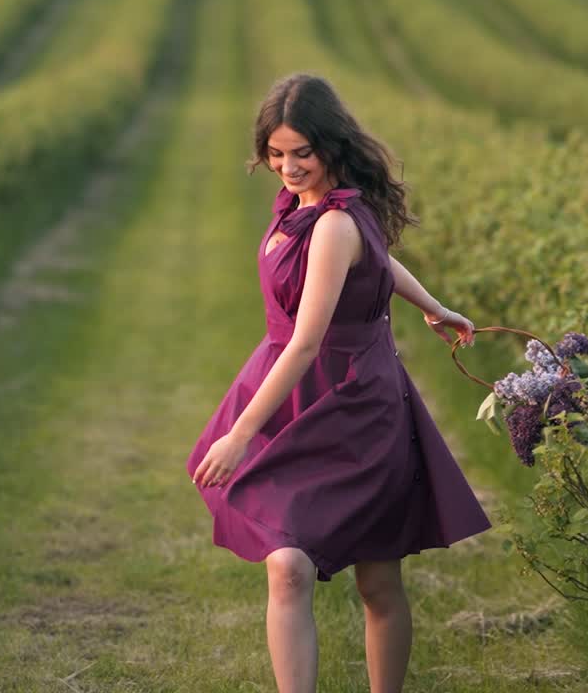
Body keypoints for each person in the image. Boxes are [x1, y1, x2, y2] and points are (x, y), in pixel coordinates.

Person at [185, 73, 492, 693]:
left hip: (350, 400)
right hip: (290, 389)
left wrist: (241, 435)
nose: (289, 167)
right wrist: (433, 305)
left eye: (303, 152)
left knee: (378, 579)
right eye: (276, 154)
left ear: (331, 145)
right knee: (289, 567)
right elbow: (377, 260)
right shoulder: (309, 209)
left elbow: (306, 341)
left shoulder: (334, 222)